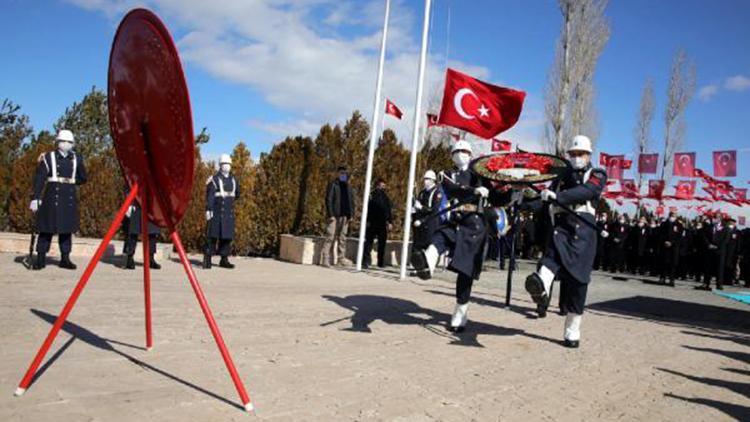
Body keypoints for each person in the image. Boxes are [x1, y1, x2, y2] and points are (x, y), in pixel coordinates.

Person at [410, 140, 509, 332]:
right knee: (440, 236)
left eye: (464, 151)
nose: (460, 154)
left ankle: (460, 311)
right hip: (456, 219)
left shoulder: (481, 174)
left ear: (470, 154)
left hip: (474, 225)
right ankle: (426, 263)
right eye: (456, 151)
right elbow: (452, 188)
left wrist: (511, 192)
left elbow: (496, 197)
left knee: (465, 271)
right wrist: (473, 191)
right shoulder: (446, 174)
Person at [523, 135, 607, 348]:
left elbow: (588, 191)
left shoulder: (596, 173)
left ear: (588, 155)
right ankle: (540, 284)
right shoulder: (560, 176)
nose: (576, 157)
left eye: (580, 154)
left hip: (583, 230)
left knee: (578, 283)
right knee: (550, 259)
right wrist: (525, 199)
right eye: (572, 154)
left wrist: (558, 197)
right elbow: (545, 200)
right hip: (560, 227)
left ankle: (572, 330)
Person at [30, 129, 88, 270]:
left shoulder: (77, 158)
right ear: (57, 142)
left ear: (73, 144)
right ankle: (41, 258)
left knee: (66, 230)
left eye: (69, 142)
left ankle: (65, 259)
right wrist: (35, 198)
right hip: (51, 196)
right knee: (46, 229)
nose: (66, 144)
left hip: (68, 197)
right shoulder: (48, 157)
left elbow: (83, 177)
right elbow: (40, 179)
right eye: (63, 141)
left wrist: (71, 182)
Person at [204, 154, 239, 269]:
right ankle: (207, 259)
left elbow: (237, 194)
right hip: (217, 213)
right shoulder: (214, 179)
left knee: (226, 238)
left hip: (228, 214)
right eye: (224, 164)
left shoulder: (234, 180)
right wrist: (209, 209)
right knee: (212, 237)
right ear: (220, 165)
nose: (227, 166)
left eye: (228, 164)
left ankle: (224, 259)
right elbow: (210, 196)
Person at [321, 166, 355, 267]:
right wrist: (330, 214)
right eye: (341, 173)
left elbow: (351, 201)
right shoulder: (333, 185)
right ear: (338, 174)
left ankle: (341, 259)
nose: (343, 175)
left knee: (342, 238)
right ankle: (325, 259)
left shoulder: (348, 186)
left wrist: (351, 215)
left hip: (345, 216)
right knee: (330, 236)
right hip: (334, 215)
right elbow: (329, 199)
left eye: (345, 173)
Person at [122, 185, 161, 270]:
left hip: (151, 202)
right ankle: (129, 257)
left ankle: (151, 258)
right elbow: (129, 181)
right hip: (136, 200)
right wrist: (129, 202)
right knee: (133, 231)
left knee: (152, 232)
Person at [363, 178, 393, 268]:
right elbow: (367, 209)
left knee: (382, 244)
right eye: (381, 186)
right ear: (377, 186)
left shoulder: (385, 197)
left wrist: (390, 222)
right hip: (372, 222)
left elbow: (388, 210)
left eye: (384, 186)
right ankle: (365, 261)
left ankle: (381, 262)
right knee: (368, 243)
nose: (383, 187)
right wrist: (367, 221)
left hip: (382, 223)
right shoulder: (371, 195)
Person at [412, 170, 443, 251]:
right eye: (425, 179)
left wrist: (421, 208)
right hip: (421, 224)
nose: (425, 181)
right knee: (419, 245)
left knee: (429, 246)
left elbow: (434, 210)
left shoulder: (437, 192)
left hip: (430, 224)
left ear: (433, 180)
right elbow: (417, 205)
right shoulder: (422, 192)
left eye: (427, 179)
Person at [658, 211, 682, 287]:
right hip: (665, 246)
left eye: (674, 215)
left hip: (674, 247)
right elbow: (660, 234)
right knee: (664, 262)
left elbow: (679, 236)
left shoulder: (679, 225)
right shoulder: (664, 224)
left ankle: (672, 279)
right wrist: (665, 241)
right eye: (672, 215)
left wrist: (671, 242)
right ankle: (662, 278)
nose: (673, 217)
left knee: (673, 264)